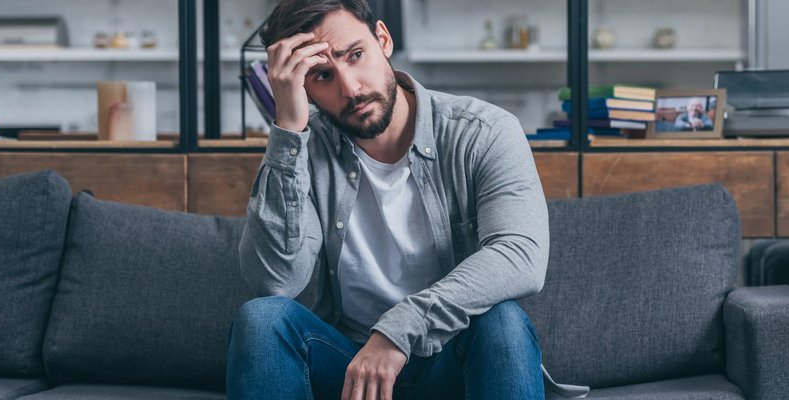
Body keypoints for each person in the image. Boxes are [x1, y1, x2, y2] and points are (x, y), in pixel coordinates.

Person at [225, 1, 588, 399]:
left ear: (383, 38)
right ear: (302, 86)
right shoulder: (303, 150)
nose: (350, 88)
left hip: (452, 362)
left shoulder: (483, 133)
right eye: (323, 75)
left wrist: (398, 330)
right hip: (348, 373)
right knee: (262, 318)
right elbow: (275, 281)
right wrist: (288, 130)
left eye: (356, 55)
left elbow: (520, 256)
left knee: (502, 321)